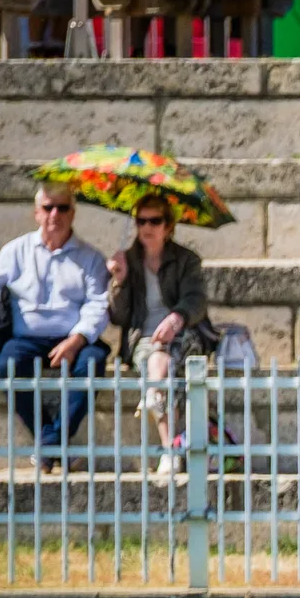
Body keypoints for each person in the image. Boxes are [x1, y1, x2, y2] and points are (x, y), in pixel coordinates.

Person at [0, 184, 111, 471]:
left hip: (74, 337)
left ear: (73, 213)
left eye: (62, 207)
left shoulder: (90, 257)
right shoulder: (16, 250)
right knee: (8, 364)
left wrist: (75, 341)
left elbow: (98, 305)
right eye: (48, 207)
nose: (55, 214)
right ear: (36, 213)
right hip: (26, 337)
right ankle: (53, 442)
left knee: (93, 363)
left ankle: (49, 442)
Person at [107, 193, 216, 477]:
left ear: (168, 226)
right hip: (142, 338)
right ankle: (172, 443)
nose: (147, 227)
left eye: (155, 220)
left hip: (183, 332)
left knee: (163, 359)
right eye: (141, 220)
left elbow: (196, 300)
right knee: (158, 358)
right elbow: (118, 317)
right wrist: (118, 282)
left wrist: (176, 318)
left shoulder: (185, 260)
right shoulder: (128, 260)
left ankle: (164, 434)